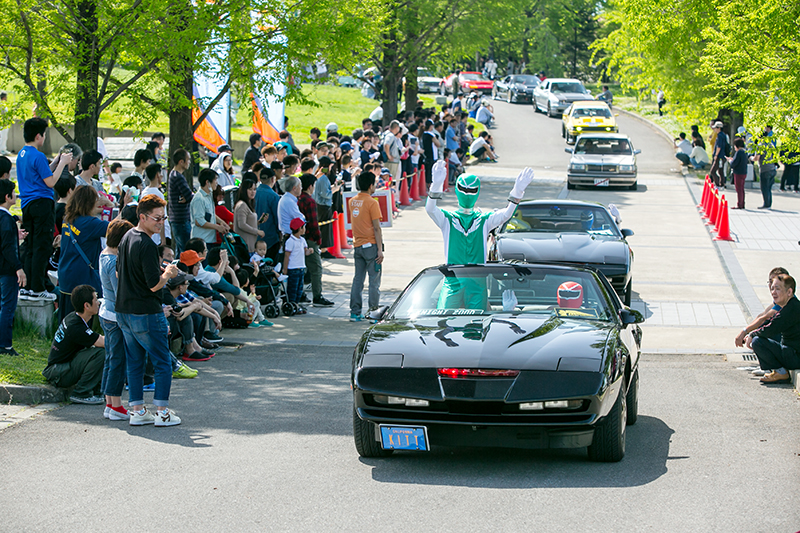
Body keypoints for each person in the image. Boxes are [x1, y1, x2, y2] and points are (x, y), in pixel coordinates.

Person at [426, 161, 533, 308]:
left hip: (477, 283)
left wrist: (517, 192)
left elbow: (507, 214)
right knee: (444, 323)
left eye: (472, 190)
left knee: (476, 327)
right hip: (453, 281)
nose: (468, 193)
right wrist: (435, 186)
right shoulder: (448, 220)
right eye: (464, 189)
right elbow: (430, 209)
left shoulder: (483, 220)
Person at [116, 194, 182, 427]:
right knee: (162, 361)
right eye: (156, 218)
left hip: (124, 310)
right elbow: (154, 284)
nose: (160, 222)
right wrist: (169, 274)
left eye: (163, 217)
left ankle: (137, 410)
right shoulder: (146, 244)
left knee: (135, 361)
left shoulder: (126, 237)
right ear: (142, 217)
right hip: (145, 311)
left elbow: (118, 272)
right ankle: (162, 412)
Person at [17, 118, 72, 301]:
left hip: (28, 205)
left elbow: (43, 173)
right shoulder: (38, 155)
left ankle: (29, 286)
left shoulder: (22, 154)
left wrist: (57, 160)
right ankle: (38, 287)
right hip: (42, 204)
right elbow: (50, 181)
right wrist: (63, 164)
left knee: (31, 245)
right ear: (39, 135)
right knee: (42, 246)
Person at [99, 220, 137, 421]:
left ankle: (110, 403)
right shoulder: (113, 261)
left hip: (107, 313)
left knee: (111, 358)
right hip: (116, 315)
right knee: (118, 360)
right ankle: (115, 405)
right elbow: (120, 291)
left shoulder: (104, 254)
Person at [42, 284, 105, 404]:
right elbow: (103, 343)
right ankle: (81, 393)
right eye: (95, 300)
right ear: (86, 305)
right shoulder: (76, 327)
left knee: (95, 351)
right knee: (100, 353)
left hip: (61, 367)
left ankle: (96, 390)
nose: (98, 303)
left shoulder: (75, 317)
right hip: (58, 373)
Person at [58, 185, 109, 321]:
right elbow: (117, 229)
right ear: (89, 202)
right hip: (82, 279)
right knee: (82, 321)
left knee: (66, 319)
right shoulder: (90, 223)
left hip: (65, 274)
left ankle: (62, 341)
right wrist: (111, 205)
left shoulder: (68, 219)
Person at [746, 274, 800, 383]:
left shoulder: (791, 309)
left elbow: (771, 328)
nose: (773, 292)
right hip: (792, 352)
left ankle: (780, 372)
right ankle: (778, 370)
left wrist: (751, 335)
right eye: (772, 288)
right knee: (761, 335)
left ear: (789, 292)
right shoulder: (790, 305)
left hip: (795, 357)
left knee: (757, 341)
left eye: (778, 289)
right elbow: (768, 322)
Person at [348, 172, 384, 322]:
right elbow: (377, 228)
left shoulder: (352, 201)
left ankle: (355, 312)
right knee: (374, 282)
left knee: (358, 280)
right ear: (370, 186)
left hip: (357, 245)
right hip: (371, 246)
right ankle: (373, 313)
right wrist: (380, 250)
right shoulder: (372, 202)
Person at [298, 173, 334, 307]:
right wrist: (318, 239)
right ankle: (317, 296)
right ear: (310, 186)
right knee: (316, 269)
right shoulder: (309, 201)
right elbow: (313, 223)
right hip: (310, 238)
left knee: (301, 267)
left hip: (298, 237)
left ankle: (300, 293)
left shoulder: (297, 199)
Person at [0, 179, 25, 355]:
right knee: (7, 307)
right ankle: (5, 345)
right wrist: (18, 268)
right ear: (8, 197)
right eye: (14, 193)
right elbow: (8, 247)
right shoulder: (6, 219)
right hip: (7, 271)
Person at [191, 168, 229, 245]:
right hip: (201, 241)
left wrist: (222, 222)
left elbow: (211, 213)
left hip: (210, 239)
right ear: (207, 182)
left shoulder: (209, 194)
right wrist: (217, 227)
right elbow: (199, 222)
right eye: (215, 180)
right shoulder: (199, 198)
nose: (217, 183)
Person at [167, 149, 193, 255]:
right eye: (188, 160)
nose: (189, 162)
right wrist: (190, 196)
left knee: (180, 251)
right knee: (185, 251)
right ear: (181, 162)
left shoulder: (173, 175)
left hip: (177, 219)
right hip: (181, 220)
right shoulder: (178, 177)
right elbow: (189, 196)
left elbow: (187, 196)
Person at [282, 218, 311, 313]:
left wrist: (309, 251)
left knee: (299, 289)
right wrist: (285, 268)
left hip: (301, 268)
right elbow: (287, 256)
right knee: (292, 289)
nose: (305, 229)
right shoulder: (290, 241)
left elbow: (305, 252)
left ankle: (296, 305)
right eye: (303, 227)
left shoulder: (302, 240)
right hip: (292, 268)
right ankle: (291, 304)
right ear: (299, 228)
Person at [233, 179, 264, 252]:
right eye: (250, 189)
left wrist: (259, 222)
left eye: (254, 189)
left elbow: (248, 222)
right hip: (245, 246)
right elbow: (242, 224)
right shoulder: (242, 205)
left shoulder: (248, 204)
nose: (253, 192)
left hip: (251, 245)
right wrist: (257, 231)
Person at [753, 127, 778, 209]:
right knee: (769, 187)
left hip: (765, 169)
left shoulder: (760, 146)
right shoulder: (771, 145)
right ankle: (769, 203)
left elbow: (757, 158)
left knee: (764, 187)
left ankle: (766, 204)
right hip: (772, 168)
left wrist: (751, 158)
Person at [727, 138, 748, 209]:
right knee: (742, 189)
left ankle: (739, 204)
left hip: (738, 172)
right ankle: (742, 203)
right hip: (744, 172)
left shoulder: (739, 152)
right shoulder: (745, 152)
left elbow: (734, 163)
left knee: (738, 189)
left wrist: (730, 161)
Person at [710, 121, 728, 188]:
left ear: (719, 128)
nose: (714, 129)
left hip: (719, 156)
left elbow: (719, 146)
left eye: (715, 128)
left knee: (713, 171)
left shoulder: (720, 136)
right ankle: (722, 183)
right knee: (721, 171)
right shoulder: (723, 135)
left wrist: (716, 155)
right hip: (723, 156)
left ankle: (717, 184)